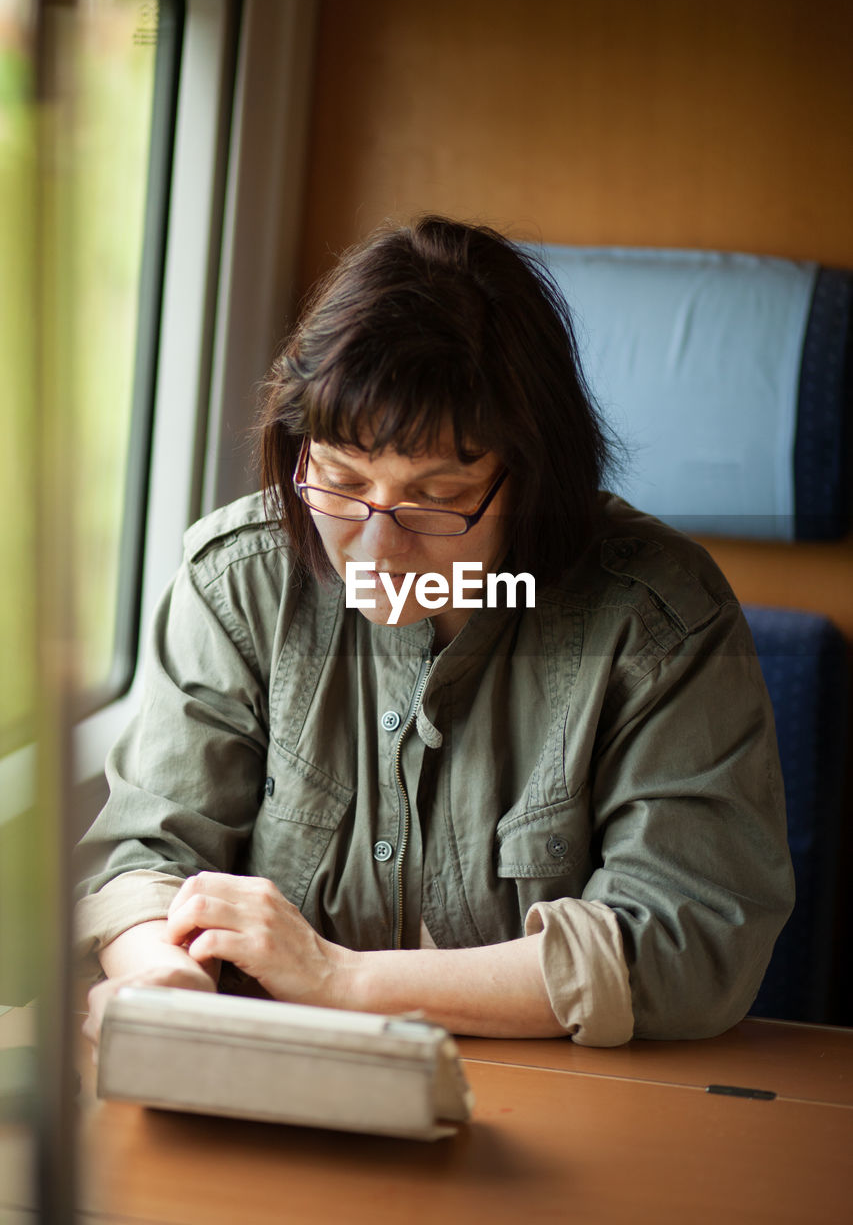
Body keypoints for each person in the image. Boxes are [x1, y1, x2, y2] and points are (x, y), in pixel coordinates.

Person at [76, 215, 794, 1048]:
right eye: (341, 481)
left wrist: (338, 978)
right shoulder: (238, 581)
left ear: (531, 484)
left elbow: (689, 943)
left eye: (437, 498)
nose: (378, 548)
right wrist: (160, 976)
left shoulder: (658, 618)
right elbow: (145, 857)